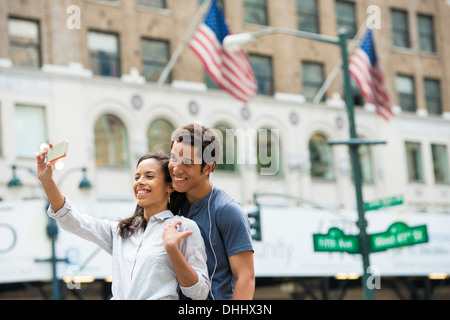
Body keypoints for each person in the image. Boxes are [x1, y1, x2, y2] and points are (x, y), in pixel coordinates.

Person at [36, 148, 210, 300]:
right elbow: (72, 221)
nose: (140, 181)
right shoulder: (122, 231)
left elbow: (199, 292)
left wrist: (173, 249)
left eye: (149, 176)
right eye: (137, 177)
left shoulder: (184, 228)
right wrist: (47, 181)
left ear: (169, 186)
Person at [168, 123, 255, 300]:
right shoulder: (171, 203)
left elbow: (245, 277)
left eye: (187, 163)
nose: (176, 168)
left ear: (208, 167)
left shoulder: (227, 210)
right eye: (173, 158)